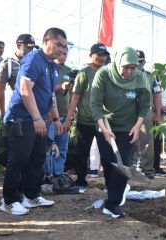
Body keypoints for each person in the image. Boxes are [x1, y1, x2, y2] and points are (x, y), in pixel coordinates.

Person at [0, 27, 67, 215]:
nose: (62, 50)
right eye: (58, 44)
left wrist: (55, 118)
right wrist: (37, 118)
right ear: (46, 40)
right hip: (22, 118)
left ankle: (31, 195)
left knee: (37, 158)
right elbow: (24, 90)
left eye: (64, 46)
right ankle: (9, 200)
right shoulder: (34, 59)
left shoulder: (52, 65)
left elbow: (50, 94)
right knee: (18, 160)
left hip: (39, 120)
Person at [90, 47, 150, 218]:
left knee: (122, 163)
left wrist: (137, 126)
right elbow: (95, 103)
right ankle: (114, 192)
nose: (129, 72)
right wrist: (103, 129)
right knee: (109, 164)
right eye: (125, 67)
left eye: (132, 68)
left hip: (127, 127)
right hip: (105, 125)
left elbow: (145, 104)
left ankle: (112, 203)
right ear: (117, 63)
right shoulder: (103, 75)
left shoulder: (140, 77)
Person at [63, 43, 108, 192]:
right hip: (85, 119)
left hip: (103, 121)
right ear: (91, 55)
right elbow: (75, 98)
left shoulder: (108, 73)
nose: (101, 58)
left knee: (106, 152)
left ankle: (109, 182)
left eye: (104, 55)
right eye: (98, 55)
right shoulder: (84, 73)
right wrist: (69, 119)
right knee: (82, 151)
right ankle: (81, 181)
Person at [44, 46, 73, 178]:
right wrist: (61, 87)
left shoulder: (69, 70)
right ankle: (47, 176)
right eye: (60, 53)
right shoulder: (48, 68)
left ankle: (58, 174)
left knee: (62, 148)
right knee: (48, 147)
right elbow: (46, 90)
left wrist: (72, 113)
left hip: (64, 115)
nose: (63, 56)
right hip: (50, 116)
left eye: (65, 54)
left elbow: (73, 94)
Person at [135, 50, 164, 178]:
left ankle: (147, 169)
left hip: (145, 112)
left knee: (146, 140)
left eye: (140, 62)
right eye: (136, 61)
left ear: (144, 62)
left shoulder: (150, 77)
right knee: (128, 139)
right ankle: (130, 166)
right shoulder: (125, 74)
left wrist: (158, 113)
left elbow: (157, 94)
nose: (138, 64)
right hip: (127, 112)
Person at [0, 34, 37, 122]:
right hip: (13, 115)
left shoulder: (34, 64)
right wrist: (2, 114)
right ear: (19, 46)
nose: (31, 51)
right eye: (28, 47)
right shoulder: (7, 64)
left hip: (31, 114)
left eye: (32, 48)